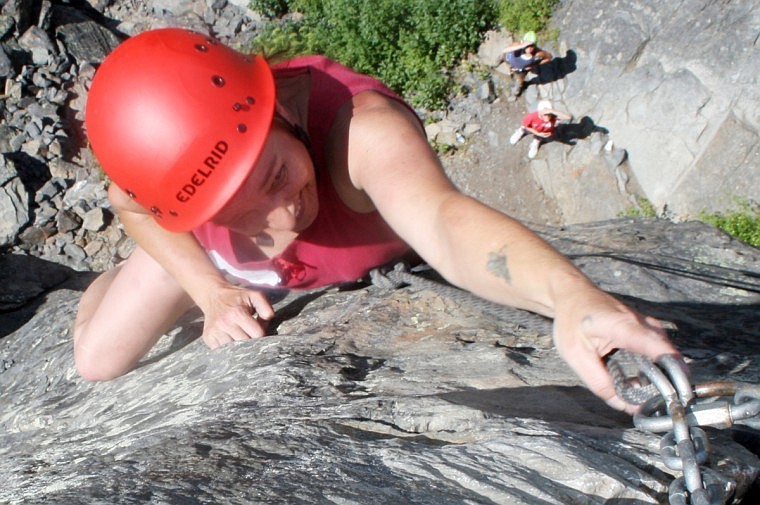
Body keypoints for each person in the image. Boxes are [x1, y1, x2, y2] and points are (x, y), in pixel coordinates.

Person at [75, 28, 678, 414]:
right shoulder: (164, 176)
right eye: (235, 215)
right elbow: (129, 202)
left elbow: (443, 221)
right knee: (95, 362)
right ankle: (110, 282)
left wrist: (572, 299)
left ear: (278, 109)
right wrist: (208, 290)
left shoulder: (362, 132)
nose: (285, 216)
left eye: (278, 175)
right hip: (209, 274)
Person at [495, 31, 553, 97]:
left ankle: (517, 91)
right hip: (508, 58)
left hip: (520, 70)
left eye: (532, 46)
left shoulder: (537, 53)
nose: (530, 48)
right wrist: (521, 46)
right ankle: (498, 62)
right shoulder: (517, 45)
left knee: (520, 81)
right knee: (502, 56)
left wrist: (534, 65)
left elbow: (549, 57)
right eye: (527, 46)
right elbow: (505, 50)